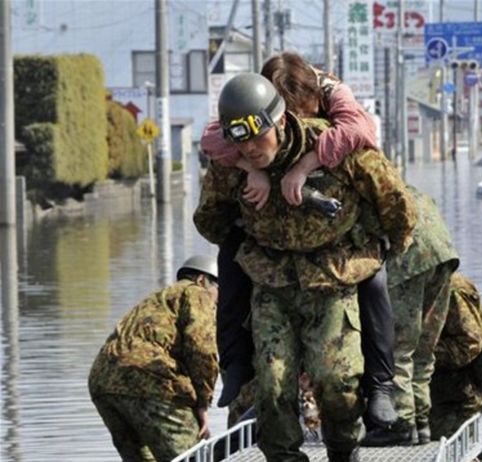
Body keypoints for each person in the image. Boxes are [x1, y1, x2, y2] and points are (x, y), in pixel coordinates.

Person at [194, 73, 416, 462]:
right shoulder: (233, 161)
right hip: (272, 285)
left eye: (256, 135)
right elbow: (210, 220)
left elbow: (396, 202)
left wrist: (383, 246)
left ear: (279, 121)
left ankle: (345, 448)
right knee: (273, 386)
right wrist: (246, 184)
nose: (249, 147)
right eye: (239, 140)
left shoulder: (332, 145)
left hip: (333, 280)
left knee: (336, 380)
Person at [88, 255, 220, 462]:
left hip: (103, 381)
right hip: (150, 379)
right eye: (219, 290)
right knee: (194, 458)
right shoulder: (196, 292)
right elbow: (201, 347)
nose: (219, 299)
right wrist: (203, 402)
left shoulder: (156, 299)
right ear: (202, 279)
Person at [362, 189, 460, 446]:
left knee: (397, 348)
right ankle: (422, 423)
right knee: (424, 350)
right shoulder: (405, 186)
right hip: (443, 253)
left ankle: (401, 424)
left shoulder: (362, 190)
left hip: (409, 260)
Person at [429, 273, 482, 439]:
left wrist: (421, 354)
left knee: (450, 448)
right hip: (436, 392)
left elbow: (469, 345)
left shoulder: (451, 287)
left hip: (457, 393)